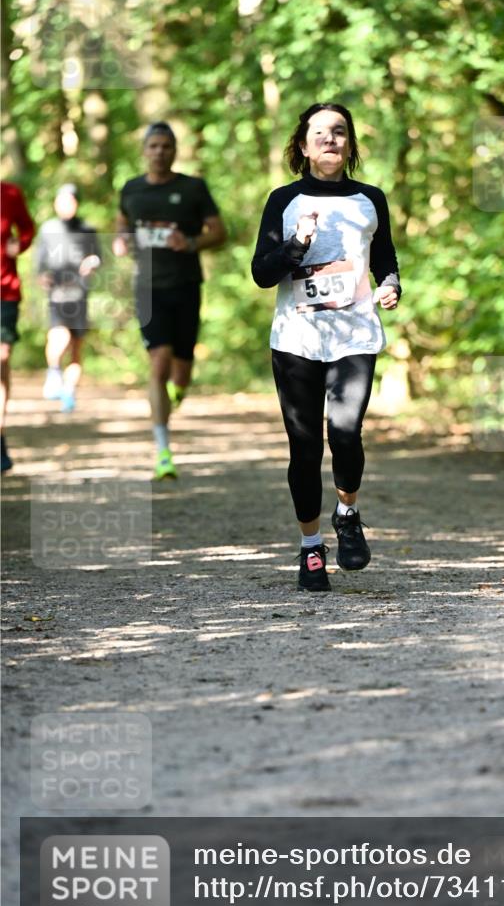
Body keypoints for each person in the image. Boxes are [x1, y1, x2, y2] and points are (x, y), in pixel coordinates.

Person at [251, 102, 401, 592]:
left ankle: (348, 513)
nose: (330, 139)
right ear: (303, 145)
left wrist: (391, 285)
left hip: (354, 334)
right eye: (320, 133)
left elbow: (386, 260)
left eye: (340, 132)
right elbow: (261, 273)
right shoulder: (283, 200)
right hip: (296, 338)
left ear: (351, 144)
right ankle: (310, 548)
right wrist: (297, 244)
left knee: (346, 432)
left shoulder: (370, 199)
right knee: (305, 446)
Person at [113, 122, 226, 480]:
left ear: (175, 151)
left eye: (166, 146)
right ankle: (163, 451)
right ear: (144, 150)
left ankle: (174, 396)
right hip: (148, 288)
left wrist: (190, 243)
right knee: (158, 363)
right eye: (154, 146)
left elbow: (219, 232)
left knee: (181, 371)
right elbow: (121, 224)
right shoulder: (131, 189)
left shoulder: (192, 188)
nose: (160, 152)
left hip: (186, 285)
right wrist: (121, 241)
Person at [36, 183, 102, 412]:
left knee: (76, 347)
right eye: (62, 200)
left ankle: (68, 391)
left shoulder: (87, 230)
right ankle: (53, 372)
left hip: (80, 294)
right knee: (59, 337)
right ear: (56, 203)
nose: (67, 205)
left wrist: (91, 263)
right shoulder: (48, 229)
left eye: (71, 200)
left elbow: (98, 258)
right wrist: (42, 276)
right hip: (57, 293)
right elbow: (39, 261)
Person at [1, 181, 35, 472]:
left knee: (1, 360)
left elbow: (27, 227)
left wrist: (20, 244)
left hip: (5, 291)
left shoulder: (11, 193)